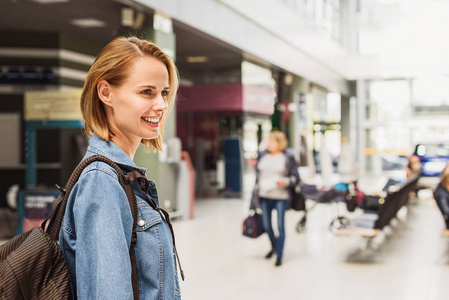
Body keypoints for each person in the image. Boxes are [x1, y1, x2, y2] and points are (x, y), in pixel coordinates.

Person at [59, 36, 182, 299]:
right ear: (106, 93)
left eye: (164, 92)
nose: (161, 105)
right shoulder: (102, 182)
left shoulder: (123, 176)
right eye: (146, 92)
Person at [250, 131, 300, 266]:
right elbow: (257, 177)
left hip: (281, 196)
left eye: (272, 141)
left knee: (280, 226)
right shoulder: (263, 155)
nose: (269, 144)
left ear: (280, 143)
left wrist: (286, 181)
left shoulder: (288, 157)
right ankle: (274, 246)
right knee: (266, 225)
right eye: (268, 141)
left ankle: (279, 254)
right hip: (264, 195)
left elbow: (296, 177)